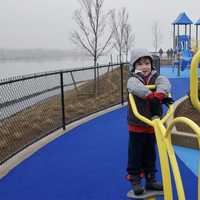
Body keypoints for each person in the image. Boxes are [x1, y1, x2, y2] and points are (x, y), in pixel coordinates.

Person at [126, 49, 173, 195]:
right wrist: (149, 95)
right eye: (140, 64)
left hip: (153, 124)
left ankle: (151, 179)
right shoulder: (134, 79)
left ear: (151, 65)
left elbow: (165, 83)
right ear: (134, 67)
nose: (144, 67)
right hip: (138, 124)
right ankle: (135, 179)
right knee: (136, 154)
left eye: (147, 63)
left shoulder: (156, 77)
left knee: (150, 154)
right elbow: (134, 87)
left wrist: (160, 93)